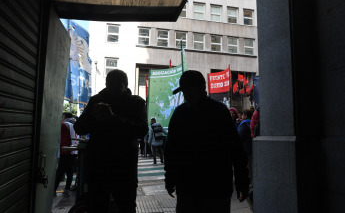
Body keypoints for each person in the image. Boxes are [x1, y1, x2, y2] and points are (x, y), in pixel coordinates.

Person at [164, 70, 250, 213]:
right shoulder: (219, 111)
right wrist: (170, 178)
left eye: (188, 90)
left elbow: (235, 149)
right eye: (184, 90)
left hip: (204, 189)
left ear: (200, 88)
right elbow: (171, 150)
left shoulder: (181, 113)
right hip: (209, 187)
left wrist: (242, 182)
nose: (185, 95)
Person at [73, 69, 148, 213]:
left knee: (121, 206)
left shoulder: (136, 103)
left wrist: (112, 118)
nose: (113, 89)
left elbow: (142, 129)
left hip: (120, 168)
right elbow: (80, 127)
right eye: (111, 85)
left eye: (117, 86)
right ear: (106, 84)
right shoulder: (96, 101)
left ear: (125, 85)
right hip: (107, 167)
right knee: (106, 206)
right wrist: (94, 116)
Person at [54, 112, 77, 197]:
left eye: (62, 117)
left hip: (65, 150)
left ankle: (53, 190)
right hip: (73, 151)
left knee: (60, 171)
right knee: (69, 171)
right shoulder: (74, 124)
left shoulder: (64, 125)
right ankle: (66, 190)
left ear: (64, 117)